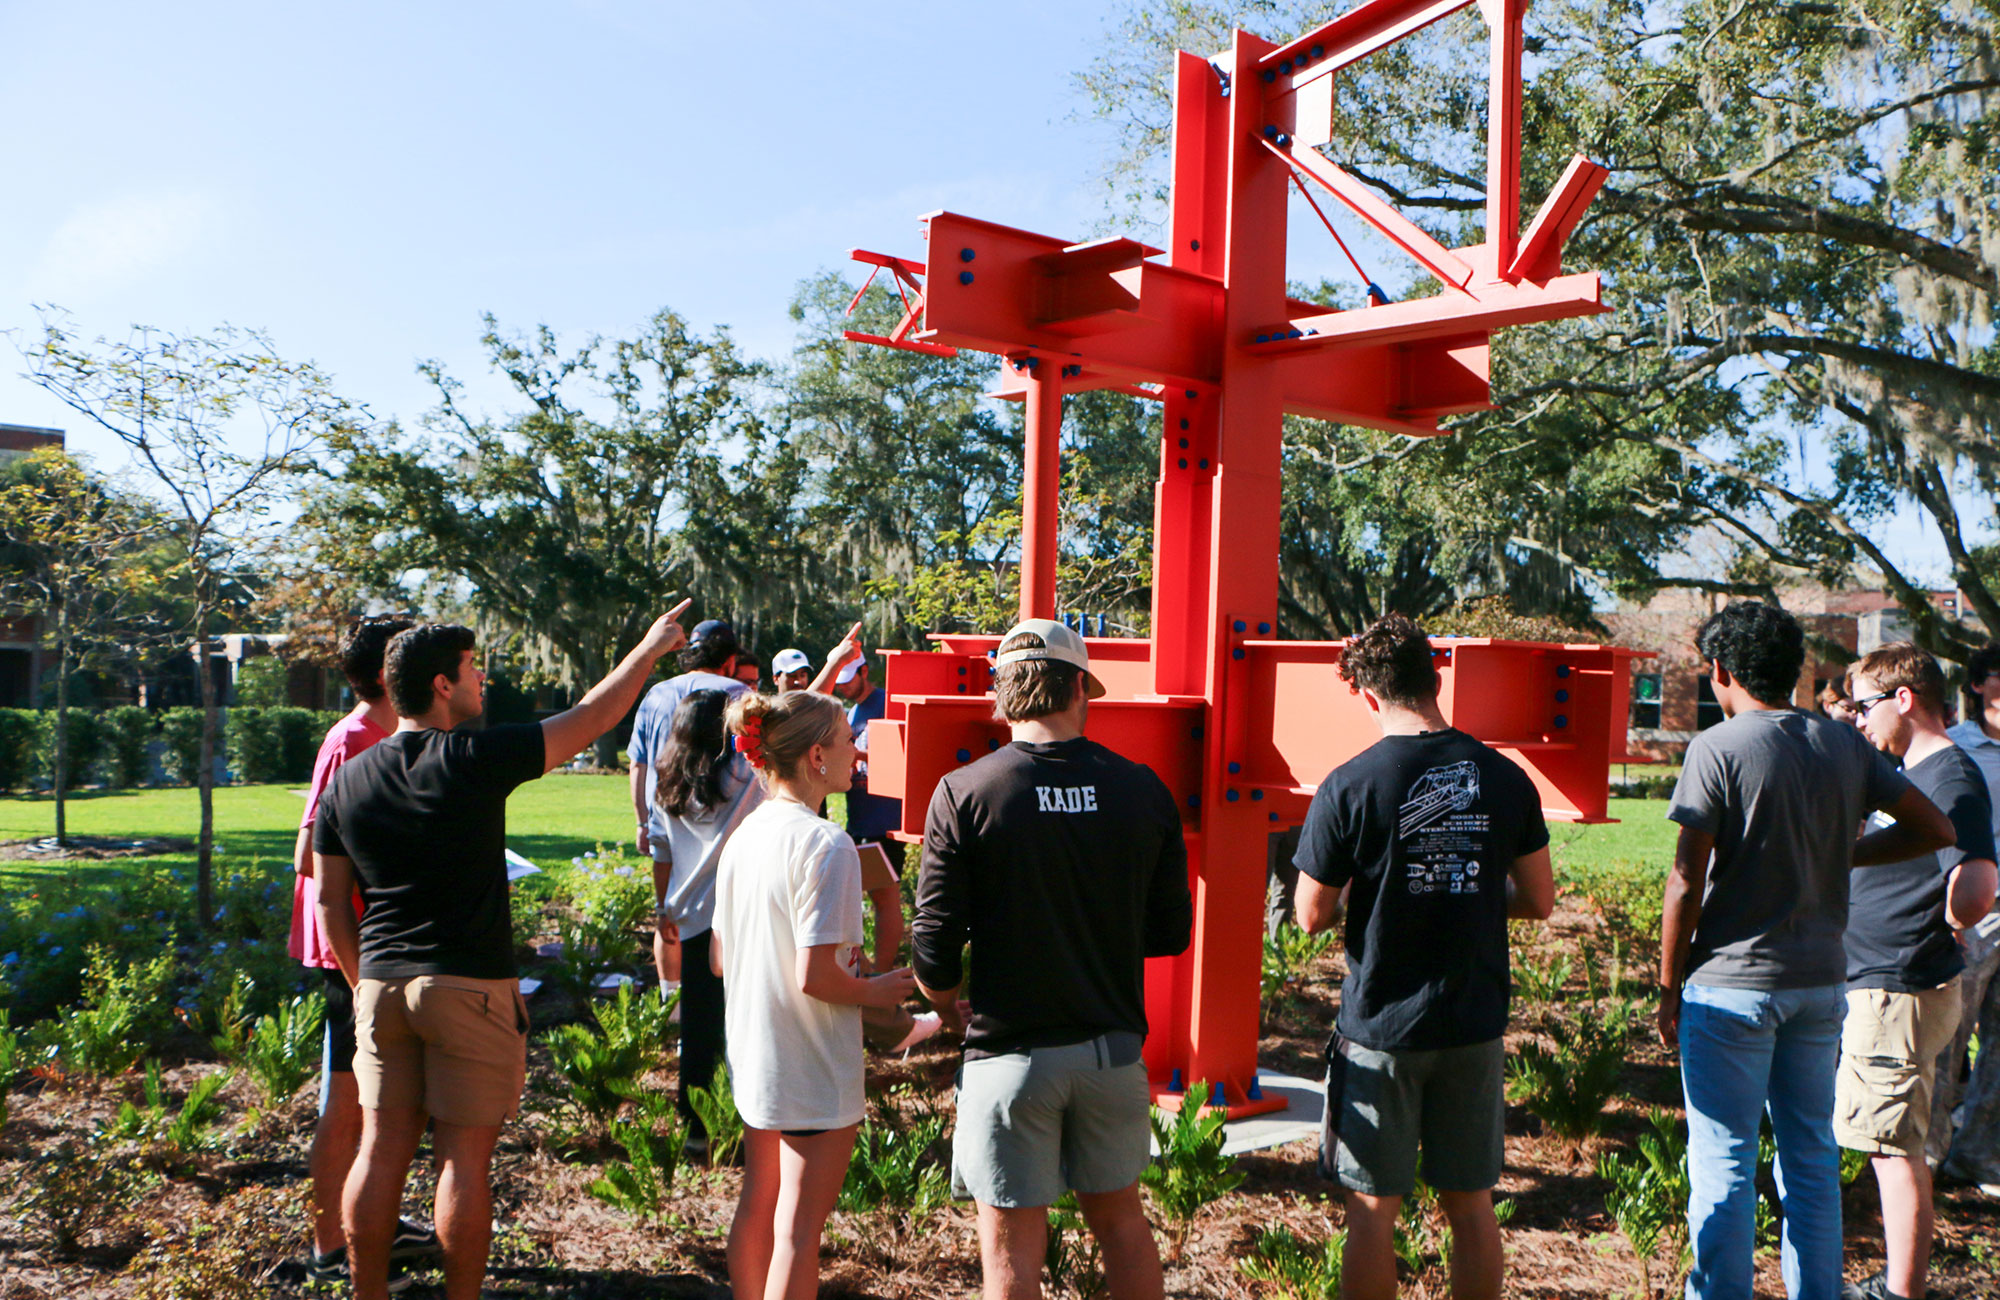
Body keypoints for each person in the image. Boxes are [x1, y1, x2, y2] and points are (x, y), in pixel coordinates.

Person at [313, 602, 693, 1300]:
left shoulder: (347, 781)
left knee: (380, 1148)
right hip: (468, 988)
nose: (481, 677)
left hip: (381, 987)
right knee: (462, 1160)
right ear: (439, 685)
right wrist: (648, 649)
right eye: (470, 668)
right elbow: (591, 717)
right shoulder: (473, 758)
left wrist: (362, 978)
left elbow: (331, 902)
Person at [1656, 601, 1954, 1300]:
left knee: (1724, 1163)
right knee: (1812, 1160)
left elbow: (1683, 880)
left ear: (1722, 671)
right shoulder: (1841, 744)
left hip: (1729, 987)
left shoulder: (1718, 748)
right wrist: (1851, 853)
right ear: (1794, 670)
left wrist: (1668, 986)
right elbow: (1936, 827)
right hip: (1822, 985)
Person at [913, 619, 1193, 1300]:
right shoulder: (1142, 788)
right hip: (1113, 1054)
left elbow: (933, 943)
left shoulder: (965, 791)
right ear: (1077, 688)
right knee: (1123, 1222)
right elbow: (1171, 932)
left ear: (1003, 695)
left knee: (1010, 1246)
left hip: (1008, 1058)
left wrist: (946, 1003)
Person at [1291, 613, 1554, 1300]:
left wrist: (1385, 894)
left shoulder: (1348, 784)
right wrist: (1460, 888)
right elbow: (1540, 898)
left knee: (1373, 1210)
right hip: (1472, 1022)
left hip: (1381, 1029)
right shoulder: (1503, 776)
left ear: (1366, 694)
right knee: (1470, 1205)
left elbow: (1310, 914)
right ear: (1435, 679)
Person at [712, 689, 917, 1300]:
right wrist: (878, 988)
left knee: (759, 1204)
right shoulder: (825, 844)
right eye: (849, 739)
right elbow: (817, 977)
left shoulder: (744, 836)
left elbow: (721, 959)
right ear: (817, 757)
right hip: (809, 1063)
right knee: (799, 1231)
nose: (859, 751)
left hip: (755, 1054)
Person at [1837, 644, 1996, 1300]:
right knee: (1893, 1141)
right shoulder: (1915, 771)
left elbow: (1979, 883)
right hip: (1886, 983)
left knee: (1893, 1149)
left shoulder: (1948, 776)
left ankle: (1899, 1291)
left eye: (1866, 706)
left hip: (1897, 987)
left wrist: (1953, 920)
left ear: (1904, 699)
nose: (1860, 720)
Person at [285, 615, 439, 1289]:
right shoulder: (351, 739)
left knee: (379, 1105)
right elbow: (308, 856)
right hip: (348, 950)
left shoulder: (385, 735)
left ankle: (375, 1227)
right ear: (386, 673)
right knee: (345, 1106)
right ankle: (328, 1249)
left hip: (382, 946)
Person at [650, 688, 763, 1154]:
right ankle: (745, 1123)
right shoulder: (742, 774)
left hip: (690, 916)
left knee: (698, 1028)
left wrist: (663, 910)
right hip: (740, 916)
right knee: (745, 1025)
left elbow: (660, 851)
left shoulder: (665, 780)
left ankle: (696, 1128)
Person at [629, 619, 751, 1001]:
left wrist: (641, 820)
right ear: (730, 660)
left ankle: (672, 1003)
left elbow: (638, 763)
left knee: (669, 909)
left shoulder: (656, 694)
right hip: (724, 823)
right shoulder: (739, 694)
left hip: (667, 812)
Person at [1937, 641, 2000, 1189]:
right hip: (1972, 911)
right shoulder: (1956, 751)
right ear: (1978, 684)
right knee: (1947, 1038)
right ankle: (1925, 1156)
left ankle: (1978, 1155)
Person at [831, 649, 904, 871]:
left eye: (848, 681)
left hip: (885, 826)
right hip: (857, 823)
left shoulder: (888, 704)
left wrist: (858, 755)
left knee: (884, 898)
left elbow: (901, 760)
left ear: (864, 672)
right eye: (839, 683)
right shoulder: (851, 713)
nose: (843, 687)